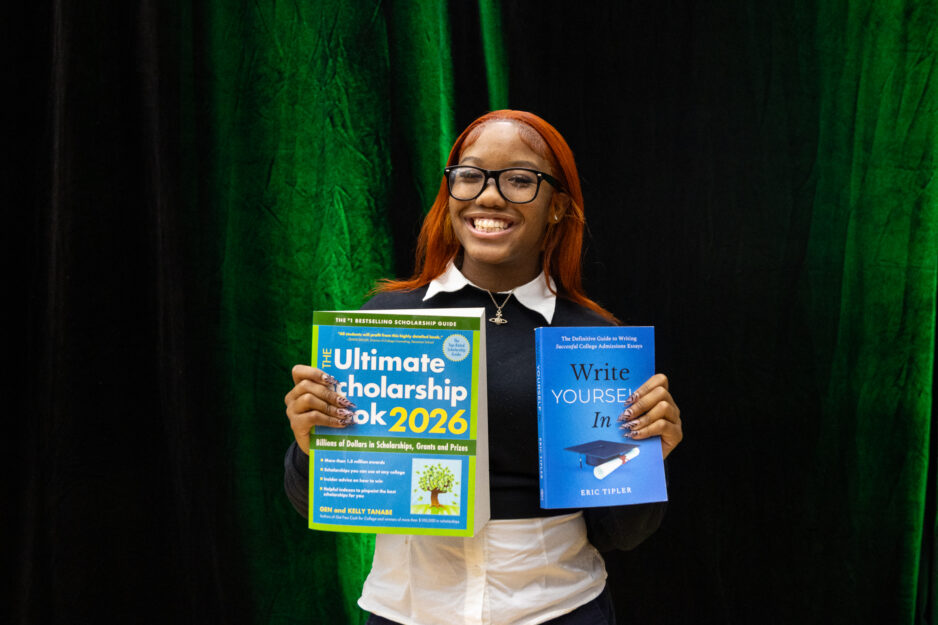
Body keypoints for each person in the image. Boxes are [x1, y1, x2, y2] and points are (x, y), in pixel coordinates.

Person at [284, 110, 683, 625]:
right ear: (450, 193)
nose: (489, 196)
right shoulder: (382, 326)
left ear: (557, 206)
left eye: (520, 180)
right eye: (470, 175)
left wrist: (649, 459)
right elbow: (311, 501)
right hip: (406, 611)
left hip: (558, 611)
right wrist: (309, 445)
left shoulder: (593, 342)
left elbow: (623, 531)